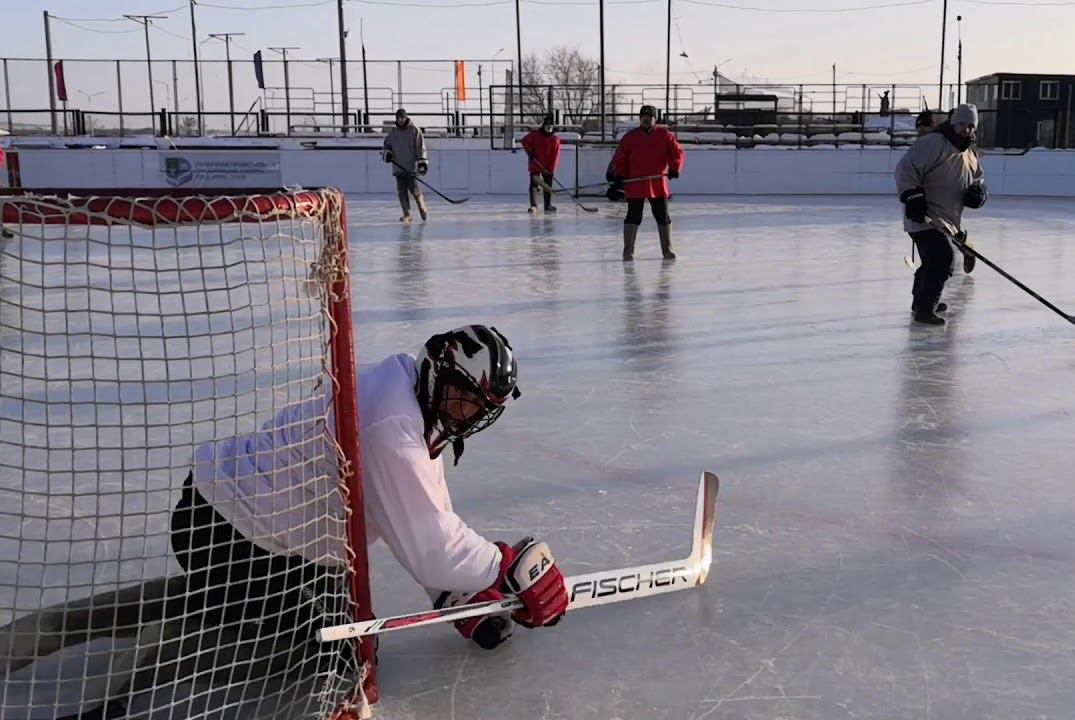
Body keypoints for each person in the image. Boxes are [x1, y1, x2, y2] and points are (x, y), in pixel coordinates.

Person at [17, 325, 569, 719]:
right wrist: (503, 566)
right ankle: (122, 700)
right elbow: (429, 543)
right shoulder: (394, 424)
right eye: (459, 399)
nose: (462, 415)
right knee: (331, 655)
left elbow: (416, 512)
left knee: (323, 631)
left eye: (475, 410)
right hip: (235, 535)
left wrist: (456, 591)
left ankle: (163, 622)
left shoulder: (401, 390)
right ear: (437, 368)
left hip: (239, 520)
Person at [894, 104, 987, 326]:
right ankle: (925, 309)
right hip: (924, 216)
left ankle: (922, 302)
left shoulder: (970, 152)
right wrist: (913, 197)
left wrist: (979, 192)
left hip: (948, 219)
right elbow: (905, 169)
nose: (966, 130)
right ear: (953, 123)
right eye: (962, 125)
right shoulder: (933, 143)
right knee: (943, 259)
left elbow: (977, 178)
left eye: (971, 126)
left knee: (931, 261)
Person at [610, 105, 685, 261]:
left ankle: (667, 250)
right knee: (633, 216)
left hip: (657, 183)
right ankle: (628, 251)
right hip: (635, 184)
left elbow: (677, 152)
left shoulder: (665, 135)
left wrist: (674, 168)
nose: (646, 120)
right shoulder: (630, 137)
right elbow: (620, 158)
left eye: (649, 117)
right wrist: (619, 175)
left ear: (654, 119)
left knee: (662, 216)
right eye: (643, 117)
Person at [382, 108, 429, 223]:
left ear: (405, 117)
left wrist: (422, 162)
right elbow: (387, 146)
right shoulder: (394, 133)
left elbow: (420, 147)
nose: (400, 120)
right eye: (398, 118)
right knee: (401, 191)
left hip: (410, 167)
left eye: (402, 118)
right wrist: (387, 155)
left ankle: (422, 208)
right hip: (398, 167)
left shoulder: (414, 131)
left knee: (414, 189)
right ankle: (406, 213)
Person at [521, 115, 561, 213]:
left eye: (550, 126)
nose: (548, 128)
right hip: (535, 164)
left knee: (547, 185)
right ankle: (534, 205)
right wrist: (530, 152)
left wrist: (551, 170)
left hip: (547, 166)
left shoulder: (555, 139)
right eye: (547, 125)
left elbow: (555, 156)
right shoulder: (535, 135)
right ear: (544, 125)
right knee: (534, 184)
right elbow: (524, 141)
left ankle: (548, 205)